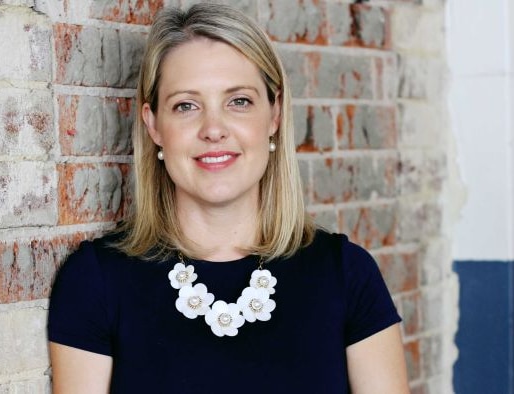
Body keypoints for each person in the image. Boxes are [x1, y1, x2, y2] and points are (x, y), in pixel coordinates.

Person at [47, 3, 410, 393]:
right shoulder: (96, 281)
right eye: (186, 105)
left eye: (238, 101)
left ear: (274, 114)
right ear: (154, 126)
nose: (214, 129)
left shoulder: (346, 274)